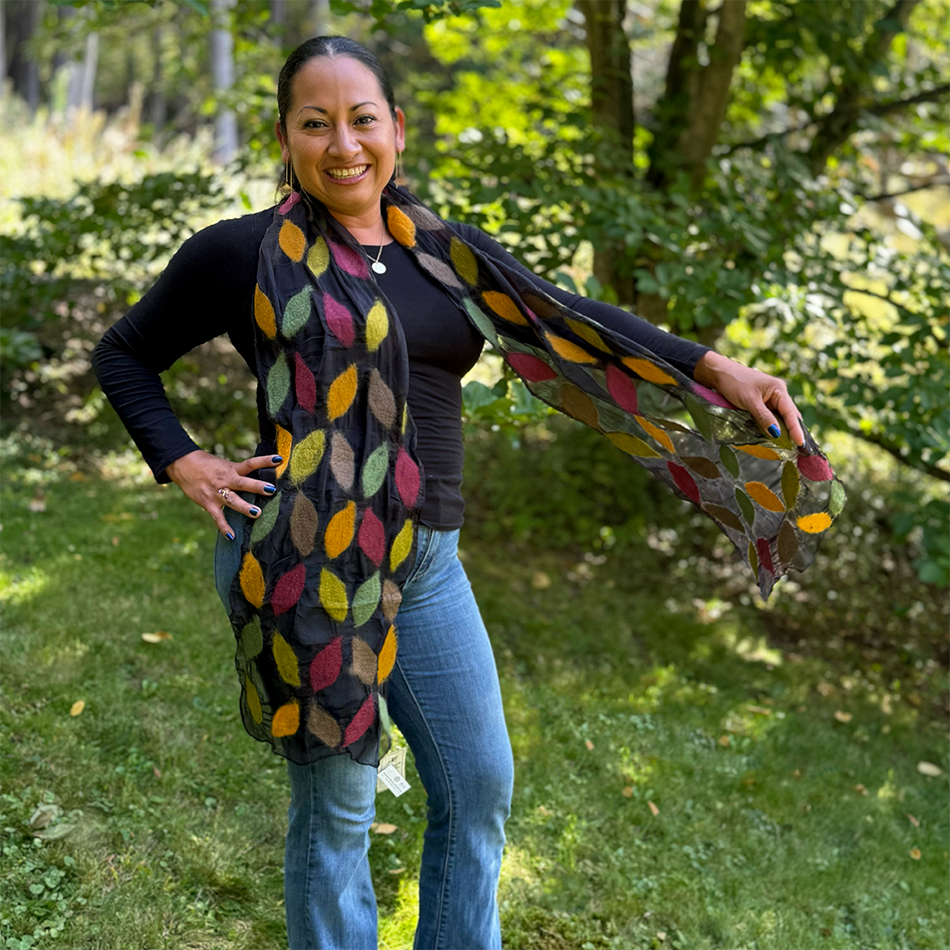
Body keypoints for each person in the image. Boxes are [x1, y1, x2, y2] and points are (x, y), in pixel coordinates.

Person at [93, 35, 825, 950]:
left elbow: (569, 318)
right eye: (315, 124)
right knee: (340, 810)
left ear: (396, 127)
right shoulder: (243, 254)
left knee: (478, 788)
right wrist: (183, 460)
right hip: (307, 558)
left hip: (429, 557)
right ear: (285, 138)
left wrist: (716, 369)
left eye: (362, 120)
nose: (343, 144)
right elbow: (123, 353)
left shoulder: (441, 251)